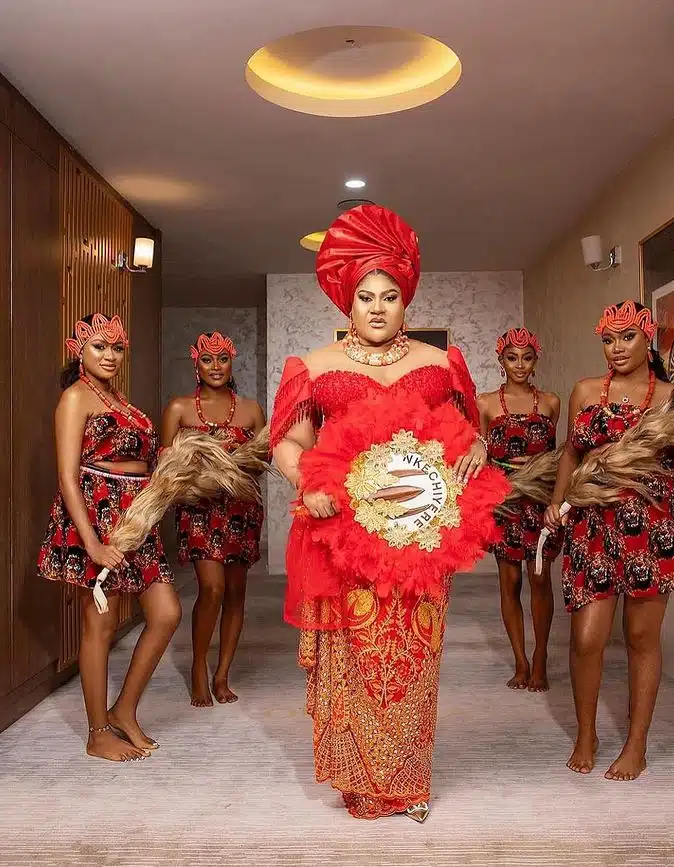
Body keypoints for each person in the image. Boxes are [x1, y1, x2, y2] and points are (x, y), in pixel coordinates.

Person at [270, 204, 487, 821]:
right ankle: (362, 781)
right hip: (344, 532)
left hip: (421, 532)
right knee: (357, 654)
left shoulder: (440, 366)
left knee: (414, 653)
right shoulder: (314, 368)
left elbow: (470, 433)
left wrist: (475, 446)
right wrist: (306, 482)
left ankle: (406, 780)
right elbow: (287, 441)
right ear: (347, 302)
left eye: (389, 296)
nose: (376, 307)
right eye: (365, 296)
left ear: (405, 301)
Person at [544, 300, 674, 780]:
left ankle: (636, 743)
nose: (616, 348)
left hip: (650, 524)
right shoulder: (583, 391)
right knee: (586, 638)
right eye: (608, 339)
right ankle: (586, 732)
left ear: (647, 338)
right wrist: (558, 503)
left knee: (641, 637)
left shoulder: (672, 395)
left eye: (626, 337)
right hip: (592, 522)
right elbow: (570, 456)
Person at [38, 313, 180, 762]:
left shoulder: (122, 401)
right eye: (100, 346)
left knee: (166, 614)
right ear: (78, 349)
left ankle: (124, 710)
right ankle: (98, 731)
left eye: (117, 347)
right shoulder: (75, 398)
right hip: (97, 517)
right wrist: (93, 543)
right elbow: (66, 475)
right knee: (99, 624)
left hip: (138, 516)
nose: (111, 355)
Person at [162, 333, 265, 706]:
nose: (216, 367)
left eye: (223, 359)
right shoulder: (179, 409)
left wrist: (239, 466)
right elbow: (165, 467)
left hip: (241, 508)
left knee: (236, 592)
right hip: (199, 510)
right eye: (208, 360)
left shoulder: (252, 411)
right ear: (196, 363)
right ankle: (198, 666)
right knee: (213, 588)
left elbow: (262, 461)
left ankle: (222, 673)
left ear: (232, 362)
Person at [478, 328, 560, 691]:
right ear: (501, 361)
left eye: (527, 358)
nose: (520, 365)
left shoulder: (551, 403)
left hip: (540, 500)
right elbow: (479, 456)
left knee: (540, 578)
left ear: (535, 361)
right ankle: (520, 660)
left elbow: (556, 457)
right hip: (505, 500)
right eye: (512, 358)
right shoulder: (485, 404)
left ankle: (541, 657)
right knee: (509, 582)